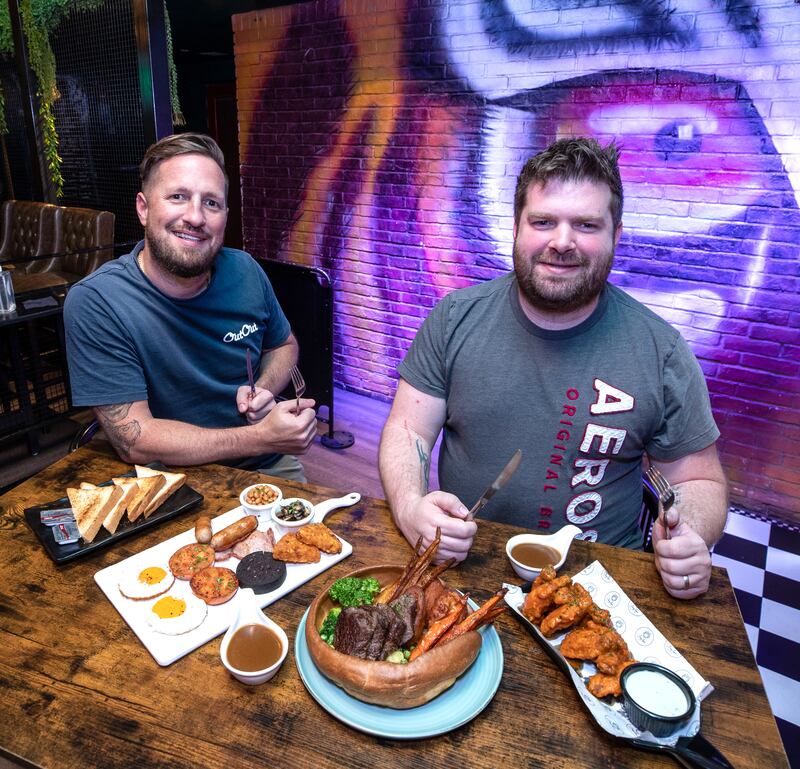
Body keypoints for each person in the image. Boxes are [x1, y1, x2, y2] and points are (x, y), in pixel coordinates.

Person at [378, 137, 728, 599]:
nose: (562, 242)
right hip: (465, 567)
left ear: (615, 236)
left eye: (586, 224)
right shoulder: (454, 318)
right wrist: (409, 508)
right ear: (518, 228)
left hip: (600, 587)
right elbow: (409, 431)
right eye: (543, 221)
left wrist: (691, 537)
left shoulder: (660, 350)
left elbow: (698, 479)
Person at [64, 133, 317, 480]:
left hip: (265, 468)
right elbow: (134, 441)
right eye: (178, 197)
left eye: (211, 203)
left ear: (226, 215)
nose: (195, 217)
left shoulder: (245, 271)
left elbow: (284, 345)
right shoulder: (99, 301)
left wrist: (265, 388)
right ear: (143, 207)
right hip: (164, 482)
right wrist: (259, 437)